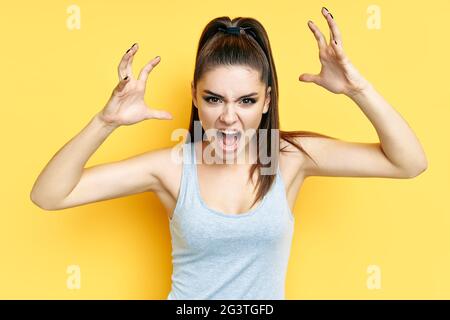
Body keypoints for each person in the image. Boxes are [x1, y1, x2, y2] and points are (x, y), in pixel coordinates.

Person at [30, 8, 428, 300]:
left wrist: (358, 88)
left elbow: (408, 163)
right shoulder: (172, 168)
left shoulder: (289, 158)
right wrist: (106, 120)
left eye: (247, 100)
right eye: (214, 99)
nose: (228, 117)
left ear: (267, 100)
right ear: (195, 97)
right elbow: (49, 195)